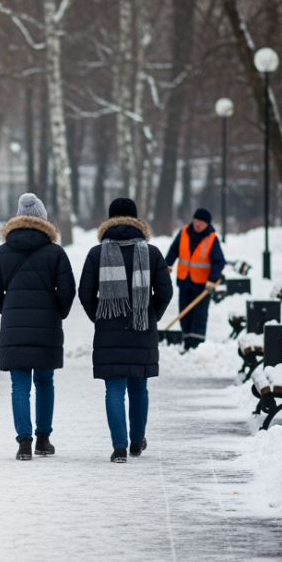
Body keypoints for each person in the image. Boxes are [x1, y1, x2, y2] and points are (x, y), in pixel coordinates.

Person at [78, 198, 174, 463]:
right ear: (136, 219)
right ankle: (136, 442)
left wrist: (101, 315)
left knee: (114, 390)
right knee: (138, 387)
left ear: (109, 220)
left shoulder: (96, 254)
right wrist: (149, 314)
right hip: (142, 328)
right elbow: (165, 291)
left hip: (109, 328)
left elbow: (85, 293)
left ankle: (119, 448)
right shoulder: (151, 252)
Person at [0, 193, 76, 461]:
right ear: (43, 219)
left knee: (19, 386)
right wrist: (56, 313)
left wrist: (10, 310)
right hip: (47, 327)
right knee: (45, 382)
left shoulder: (2, 252)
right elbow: (67, 290)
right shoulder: (56, 253)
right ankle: (43, 440)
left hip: (14, 328)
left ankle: (24, 443)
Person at [164, 208, 226, 351]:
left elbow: (219, 261)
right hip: (185, 281)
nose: (198, 225)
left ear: (207, 225)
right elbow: (173, 251)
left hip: (203, 285)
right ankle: (187, 342)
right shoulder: (184, 233)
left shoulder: (212, 239)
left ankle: (197, 346)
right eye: (197, 221)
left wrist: (212, 279)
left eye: (202, 223)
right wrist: (166, 265)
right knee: (184, 313)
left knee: (199, 315)